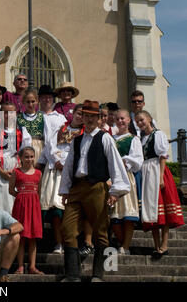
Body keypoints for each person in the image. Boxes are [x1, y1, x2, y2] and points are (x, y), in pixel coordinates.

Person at [59, 100, 130, 282]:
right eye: (86, 115)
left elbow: (115, 164)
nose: (89, 119)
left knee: (101, 231)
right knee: (68, 229)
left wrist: (115, 191)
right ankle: (73, 275)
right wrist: (65, 189)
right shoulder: (76, 140)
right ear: (82, 117)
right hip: (76, 188)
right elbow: (68, 166)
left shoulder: (105, 138)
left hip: (97, 187)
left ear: (99, 119)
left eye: (93, 116)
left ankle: (99, 275)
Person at [136, 110, 184, 258]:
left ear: (149, 119)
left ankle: (164, 245)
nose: (140, 123)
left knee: (162, 207)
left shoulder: (158, 135)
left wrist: (161, 177)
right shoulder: (142, 139)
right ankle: (156, 246)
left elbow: (162, 156)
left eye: (142, 120)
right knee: (152, 210)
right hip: (147, 171)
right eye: (138, 121)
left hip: (157, 170)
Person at [39, 104, 84, 254]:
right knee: (56, 209)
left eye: (83, 114)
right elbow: (50, 146)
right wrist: (56, 161)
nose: (80, 117)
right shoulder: (60, 129)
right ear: (73, 114)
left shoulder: (84, 134)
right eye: (78, 113)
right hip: (56, 172)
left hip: (73, 174)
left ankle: (70, 242)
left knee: (70, 210)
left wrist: (68, 165)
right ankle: (58, 243)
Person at [111, 109, 143, 255]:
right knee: (114, 215)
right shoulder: (110, 138)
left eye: (123, 118)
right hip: (111, 178)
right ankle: (122, 243)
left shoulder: (133, 139)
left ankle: (125, 246)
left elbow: (138, 161)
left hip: (126, 177)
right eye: (117, 119)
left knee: (127, 214)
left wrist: (126, 161)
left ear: (129, 120)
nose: (120, 121)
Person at [0, 102, 31, 213]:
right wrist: (1, 171)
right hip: (0, 167)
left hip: (16, 167)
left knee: (15, 197)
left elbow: (26, 153)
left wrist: (20, 170)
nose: (8, 116)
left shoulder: (21, 131)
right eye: (5, 113)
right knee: (1, 197)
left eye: (11, 113)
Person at [9, 147, 44, 275]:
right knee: (21, 237)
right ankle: (20, 266)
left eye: (31, 156)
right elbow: (11, 190)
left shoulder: (38, 173)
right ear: (21, 158)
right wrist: (22, 196)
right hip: (21, 206)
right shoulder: (16, 172)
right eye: (26, 157)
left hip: (34, 206)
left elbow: (39, 192)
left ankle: (32, 266)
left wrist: (33, 200)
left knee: (33, 237)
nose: (29, 159)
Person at [17, 89, 45, 165]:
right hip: (24, 147)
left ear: (37, 101)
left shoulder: (42, 116)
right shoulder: (18, 117)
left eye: (33, 101)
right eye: (28, 102)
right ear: (23, 102)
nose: (30, 104)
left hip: (39, 147)